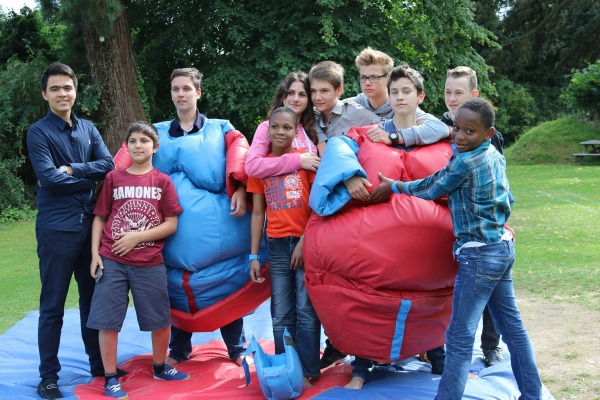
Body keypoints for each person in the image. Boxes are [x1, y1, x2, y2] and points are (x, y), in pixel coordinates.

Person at [380, 98, 542, 400]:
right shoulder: (494, 154)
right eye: (457, 128)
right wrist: (498, 222)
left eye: (470, 131)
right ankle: (532, 395)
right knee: (513, 330)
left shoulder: (464, 161)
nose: (460, 136)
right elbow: (508, 196)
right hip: (502, 248)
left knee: (459, 336)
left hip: (479, 256)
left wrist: (394, 186)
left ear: (488, 133)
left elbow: (432, 187)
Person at [344, 64, 448, 389]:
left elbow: (445, 132)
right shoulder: (374, 129)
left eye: (406, 91)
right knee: (370, 293)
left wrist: (396, 138)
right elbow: (342, 147)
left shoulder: (433, 128)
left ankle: (440, 362)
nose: (400, 97)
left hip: (423, 232)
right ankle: (361, 368)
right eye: (395, 91)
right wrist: (348, 174)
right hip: (381, 232)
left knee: (428, 292)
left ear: (420, 96)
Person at [26, 63, 115, 399]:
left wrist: (74, 169)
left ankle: (97, 364)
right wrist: (86, 182)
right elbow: (49, 179)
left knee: (93, 299)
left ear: (75, 90)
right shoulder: (38, 132)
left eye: (67, 87)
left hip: (90, 229)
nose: (62, 94)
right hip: (57, 231)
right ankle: (48, 376)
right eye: (55, 89)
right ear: (45, 94)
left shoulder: (88, 129)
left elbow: (108, 165)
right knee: (53, 305)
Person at [87, 122, 189, 400]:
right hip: (112, 260)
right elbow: (100, 217)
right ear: (127, 146)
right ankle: (110, 377)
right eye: (132, 141)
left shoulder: (162, 181)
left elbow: (171, 224)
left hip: (149, 260)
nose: (138, 145)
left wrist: (136, 237)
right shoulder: (114, 179)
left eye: (144, 141)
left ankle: (160, 366)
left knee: (159, 318)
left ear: (155, 146)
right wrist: (95, 253)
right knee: (107, 321)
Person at [160, 68, 249, 367]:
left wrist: (238, 183)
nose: (181, 94)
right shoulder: (156, 134)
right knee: (176, 286)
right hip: (173, 234)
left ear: (198, 92)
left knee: (226, 281)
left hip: (221, 232)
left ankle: (237, 348)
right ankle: (179, 349)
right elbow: (127, 159)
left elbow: (242, 147)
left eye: (186, 88)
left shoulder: (220, 128)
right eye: (176, 89)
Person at [248, 107, 320, 388]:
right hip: (276, 245)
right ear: (267, 131)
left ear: (296, 131)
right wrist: (254, 255)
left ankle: (309, 370)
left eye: (287, 127)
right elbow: (257, 214)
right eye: (274, 127)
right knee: (280, 312)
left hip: (305, 242)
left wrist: (304, 241)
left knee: (306, 309)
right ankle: (284, 366)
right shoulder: (261, 168)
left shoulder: (305, 162)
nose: (280, 132)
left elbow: (317, 207)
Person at [443, 66, 505, 367]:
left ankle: (490, 346)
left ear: (473, 96)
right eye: (448, 92)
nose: (453, 99)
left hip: (482, 230)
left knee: (489, 293)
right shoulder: (438, 125)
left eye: (460, 93)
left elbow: (499, 181)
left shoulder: (489, 137)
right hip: (452, 222)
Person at [245, 71, 320, 178]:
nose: (295, 99)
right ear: (282, 96)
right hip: (277, 192)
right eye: (290, 93)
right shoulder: (267, 127)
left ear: (309, 100)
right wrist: (298, 160)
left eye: (302, 95)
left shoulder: (314, 126)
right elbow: (252, 166)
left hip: (311, 192)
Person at [310, 60, 381, 155]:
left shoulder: (357, 114)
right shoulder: (311, 117)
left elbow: (384, 130)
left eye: (324, 91)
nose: (317, 97)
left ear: (339, 90)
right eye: (313, 91)